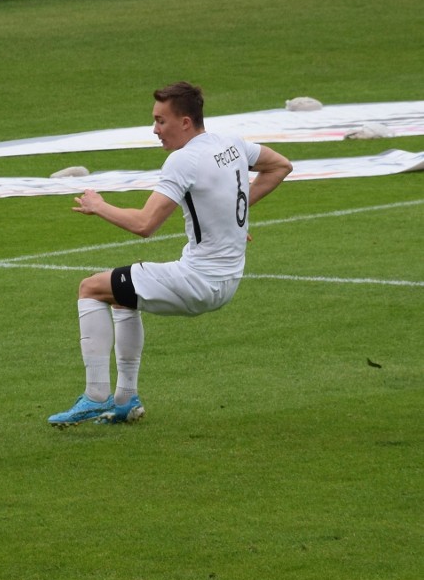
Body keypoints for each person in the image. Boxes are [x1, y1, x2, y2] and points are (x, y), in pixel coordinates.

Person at [48, 82, 293, 427]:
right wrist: (231, 220)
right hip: (227, 279)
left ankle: (95, 394)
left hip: (198, 281)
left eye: (161, 121)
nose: (155, 130)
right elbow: (281, 165)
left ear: (186, 123)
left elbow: (145, 224)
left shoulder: (184, 160)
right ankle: (125, 401)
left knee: (90, 288)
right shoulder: (230, 143)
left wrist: (98, 205)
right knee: (121, 296)